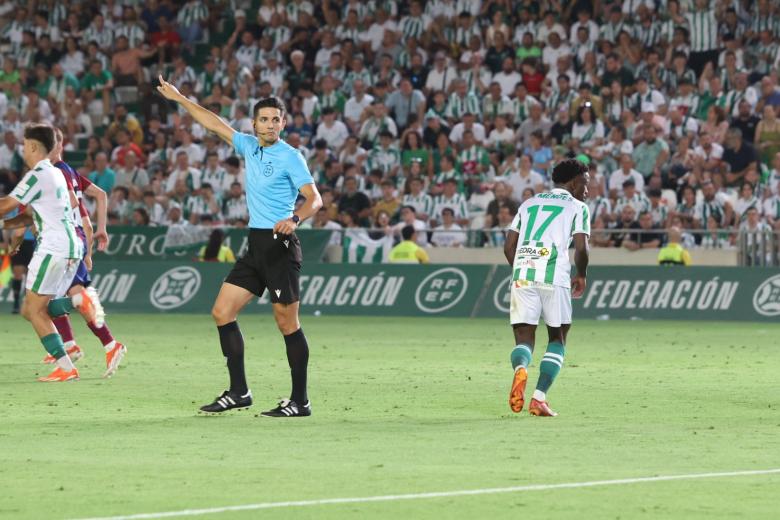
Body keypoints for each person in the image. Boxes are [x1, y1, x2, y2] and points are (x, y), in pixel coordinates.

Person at [157, 77, 323, 418]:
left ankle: (300, 401)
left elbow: (314, 199)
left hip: (280, 246)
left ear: (283, 123)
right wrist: (180, 99)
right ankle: (239, 391)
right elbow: (213, 122)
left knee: (287, 324)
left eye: (276, 119)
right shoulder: (249, 145)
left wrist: (295, 218)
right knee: (222, 312)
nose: (270, 124)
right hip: (256, 245)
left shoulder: (291, 157)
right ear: (255, 123)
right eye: (264, 119)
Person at [0, 124, 104, 382]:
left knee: (34, 311)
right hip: (70, 247)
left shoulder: (37, 174)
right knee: (33, 309)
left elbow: (7, 205)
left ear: (34, 146)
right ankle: (77, 304)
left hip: (53, 247)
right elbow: (28, 215)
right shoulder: (56, 173)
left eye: (25, 145)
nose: (24, 150)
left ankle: (67, 367)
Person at [503, 158, 590, 417]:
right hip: (555, 277)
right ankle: (539, 397)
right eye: (585, 184)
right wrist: (582, 275)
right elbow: (582, 248)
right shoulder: (578, 207)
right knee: (558, 338)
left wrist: (522, 270)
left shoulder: (528, 204)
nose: (586, 191)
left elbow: (508, 247)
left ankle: (520, 368)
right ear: (573, 181)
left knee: (524, 338)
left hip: (523, 274)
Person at [42, 128, 126, 378]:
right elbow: (99, 196)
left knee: (50, 301)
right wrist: (97, 231)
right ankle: (72, 346)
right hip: (74, 238)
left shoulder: (56, 172)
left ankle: (107, 345)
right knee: (51, 298)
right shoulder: (70, 171)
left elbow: (72, 206)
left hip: (65, 239)